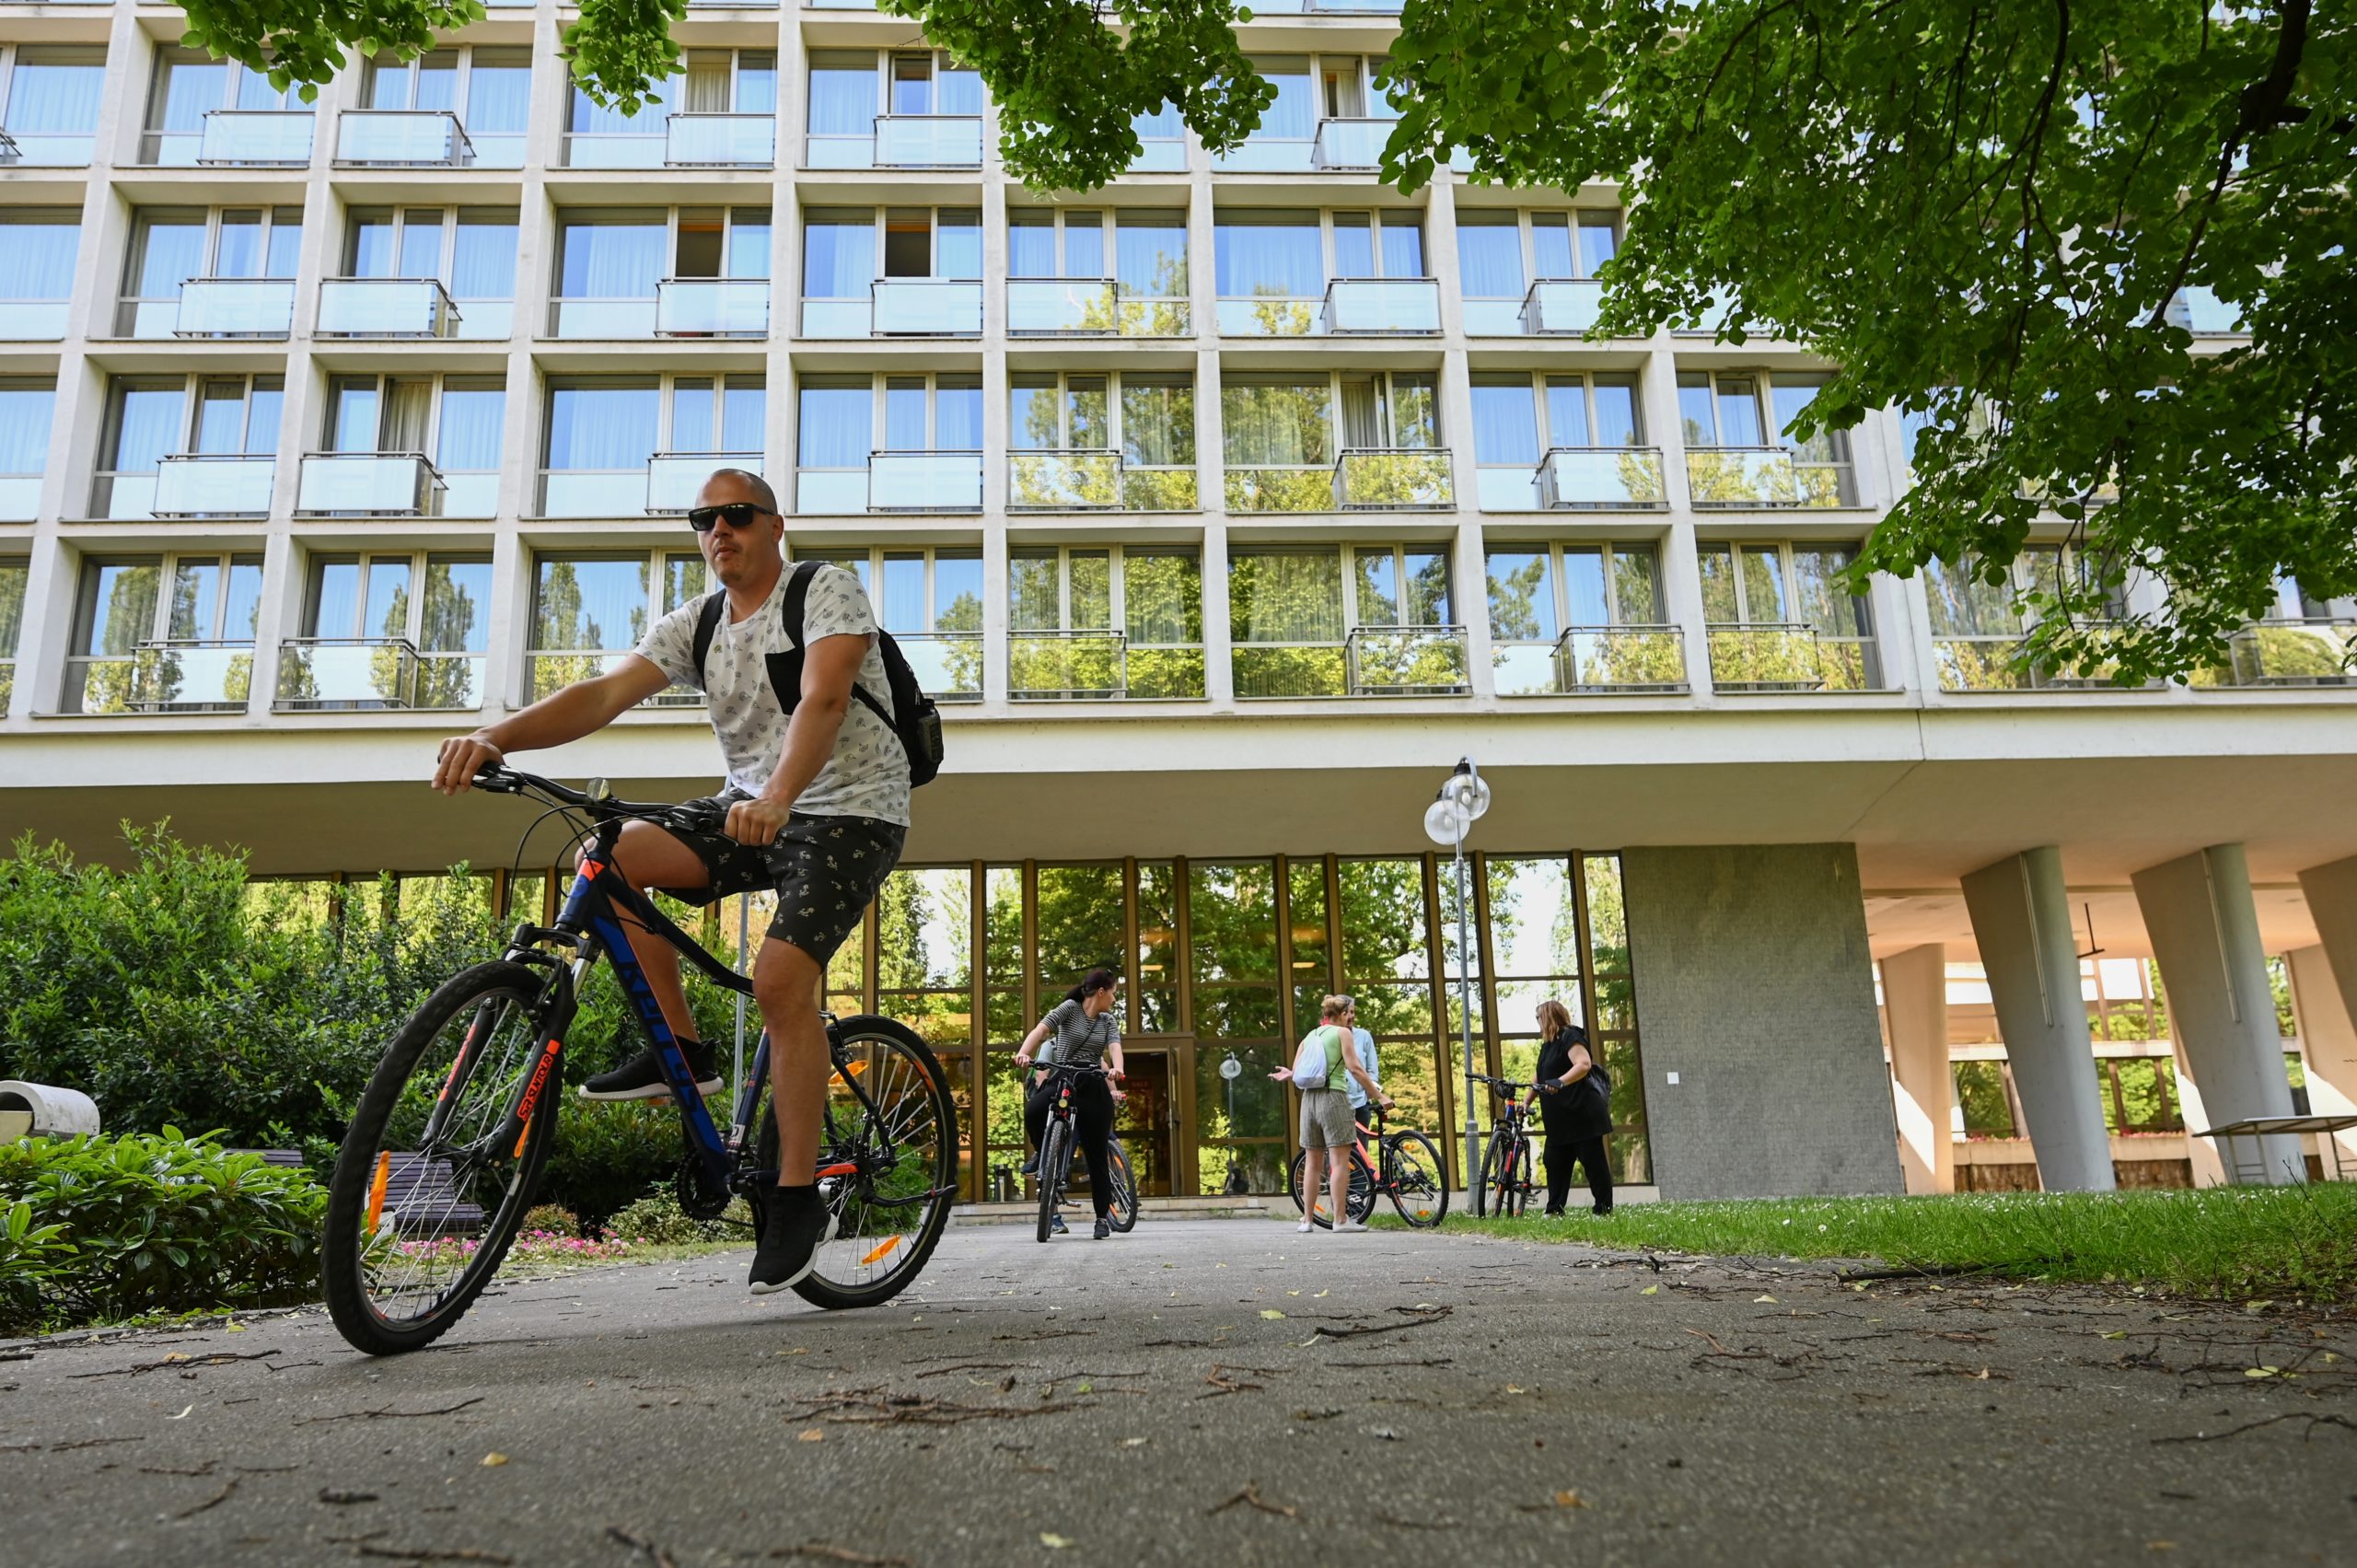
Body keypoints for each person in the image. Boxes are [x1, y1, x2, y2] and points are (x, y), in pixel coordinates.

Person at [430, 468, 911, 1295]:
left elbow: (825, 701)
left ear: (773, 524)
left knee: (780, 981)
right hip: (746, 808)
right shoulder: (700, 624)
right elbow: (604, 693)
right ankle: (680, 1051)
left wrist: (778, 796)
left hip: (849, 809)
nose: (719, 529)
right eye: (704, 519)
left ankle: (797, 1194)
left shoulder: (825, 590)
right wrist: (494, 735)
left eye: (736, 514)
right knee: (612, 853)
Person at [1014, 969, 1126, 1239]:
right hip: (1064, 1077)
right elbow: (1040, 1030)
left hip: (1093, 1082)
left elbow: (1114, 1049)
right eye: (1113, 993)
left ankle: (1101, 1218)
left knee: (1096, 1152)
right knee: (1034, 1110)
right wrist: (1023, 1053)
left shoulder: (1108, 1021)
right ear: (1101, 991)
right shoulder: (1069, 1009)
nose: (1114, 998)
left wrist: (1117, 1070)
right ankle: (1045, 1154)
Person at [1273, 994, 1388, 1234]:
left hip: (1309, 1101)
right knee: (1339, 1162)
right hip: (1333, 1097)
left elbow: (1297, 1073)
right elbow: (1355, 1068)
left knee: (1313, 1162)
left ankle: (1307, 1221)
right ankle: (1340, 1220)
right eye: (1349, 1013)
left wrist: (1289, 1073)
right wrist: (1380, 1097)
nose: (1351, 1018)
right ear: (1341, 1014)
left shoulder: (1310, 1035)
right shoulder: (1342, 1034)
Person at [1533, 998, 1613, 1216]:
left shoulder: (1570, 1037)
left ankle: (1603, 1210)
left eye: (1539, 1017)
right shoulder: (1548, 1046)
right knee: (1554, 1162)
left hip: (1581, 1115)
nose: (1538, 1022)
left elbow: (1583, 1064)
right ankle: (1554, 1210)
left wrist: (1561, 1081)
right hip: (1560, 1121)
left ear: (1549, 1017)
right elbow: (1539, 1076)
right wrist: (1525, 1101)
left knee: (1593, 1163)